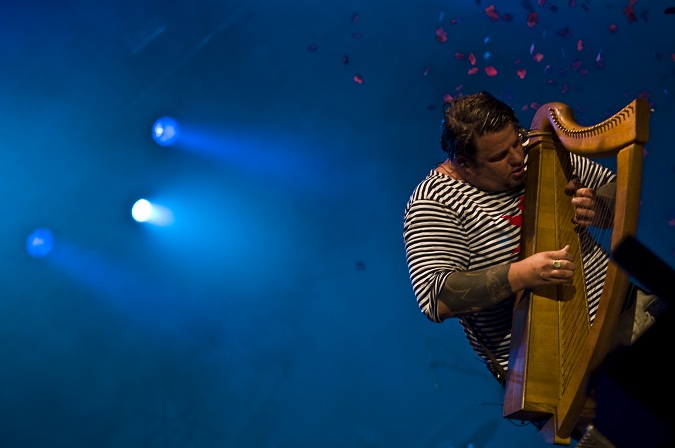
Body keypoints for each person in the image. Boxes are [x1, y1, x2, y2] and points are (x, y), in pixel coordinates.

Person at [402, 90, 662, 392]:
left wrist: (598, 206)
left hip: (631, 315)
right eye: (499, 157)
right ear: (464, 163)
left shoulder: (534, 148)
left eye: (516, 142)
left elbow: (614, 188)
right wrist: (522, 274)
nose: (517, 158)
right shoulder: (434, 203)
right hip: (553, 370)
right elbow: (437, 298)